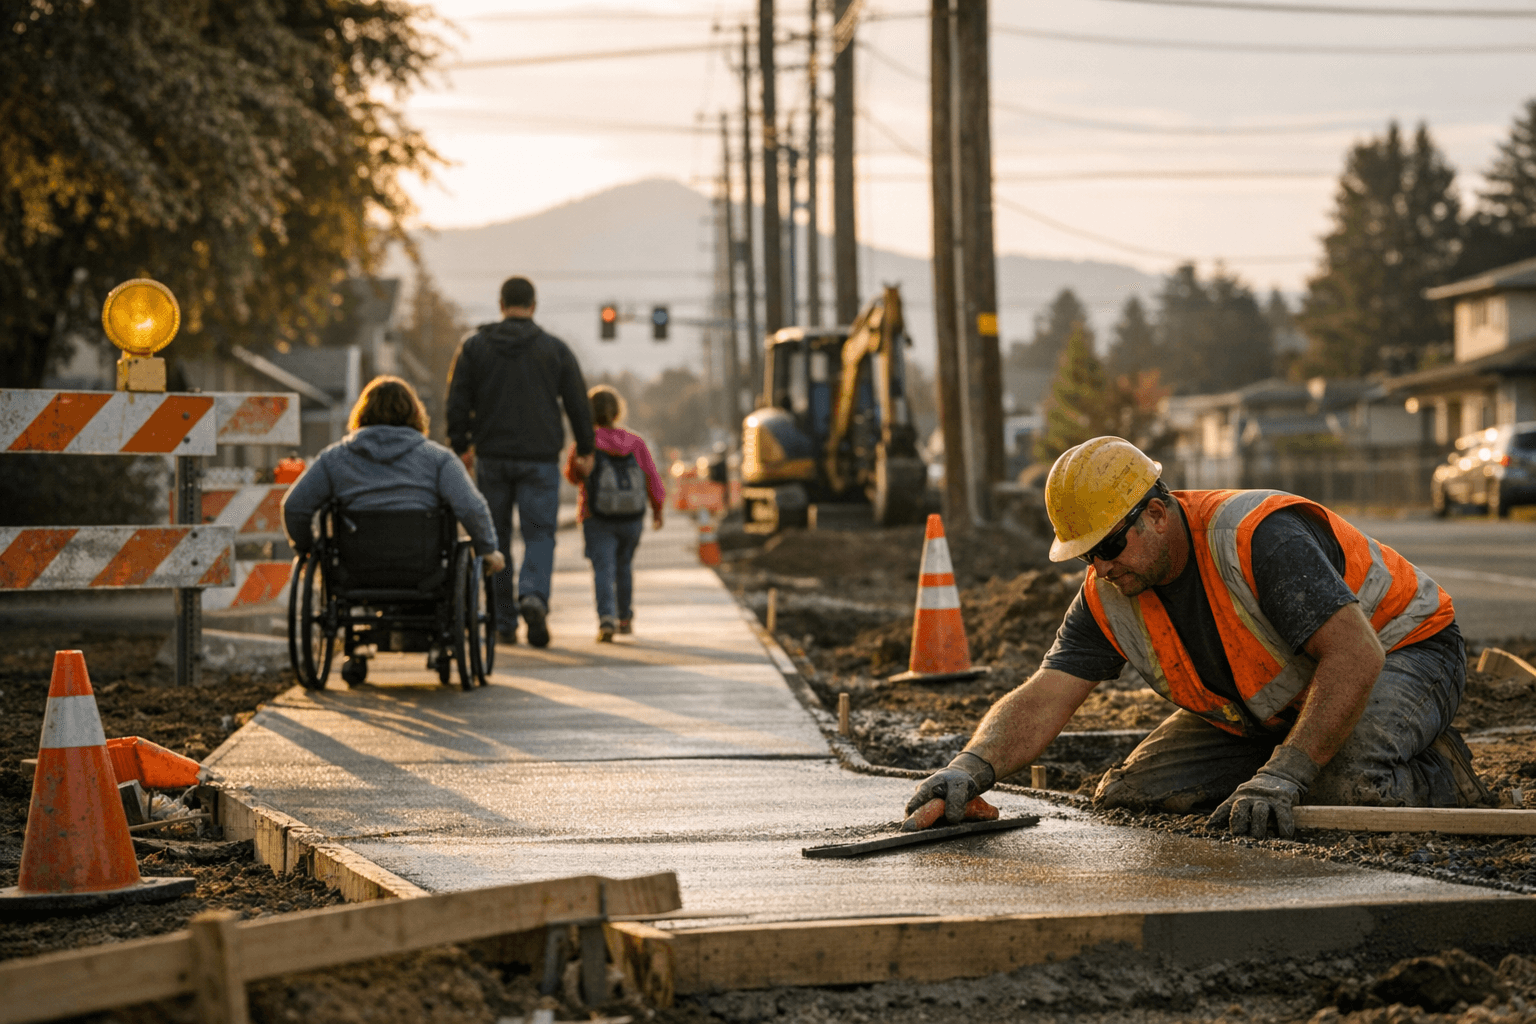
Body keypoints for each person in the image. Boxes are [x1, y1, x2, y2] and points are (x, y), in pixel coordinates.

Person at [906, 436, 1490, 840]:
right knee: (1131, 797)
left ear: (1157, 514)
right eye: (1086, 555)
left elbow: (1355, 654)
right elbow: (1044, 695)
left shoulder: (1257, 538)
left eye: (1108, 546)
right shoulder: (1108, 592)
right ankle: (1299, 752)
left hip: (1402, 651)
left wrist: (1285, 773)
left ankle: (1440, 775)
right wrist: (970, 767)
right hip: (1267, 709)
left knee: (1335, 793)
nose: (1100, 567)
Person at [447, 276, 595, 648]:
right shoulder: (555, 349)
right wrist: (586, 449)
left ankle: (502, 620)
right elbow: (578, 401)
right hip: (540, 457)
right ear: (533, 305)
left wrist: (460, 443)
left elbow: (458, 398)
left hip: (492, 456)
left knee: (493, 538)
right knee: (540, 534)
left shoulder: (475, 346)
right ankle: (533, 596)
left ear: (501, 304)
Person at [281, 375, 503, 572]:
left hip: (356, 569)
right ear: (414, 413)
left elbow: (294, 506)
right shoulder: (439, 459)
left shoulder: (334, 459)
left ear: (361, 413)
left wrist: (308, 550)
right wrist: (487, 550)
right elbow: (472, 508)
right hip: (423, 567)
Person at [563, 385, 666, 641]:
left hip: (596, 516)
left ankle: (606, 619)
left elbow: (572, 476)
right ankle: (625, 618)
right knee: (624, 567)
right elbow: (652, 478)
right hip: (632, 517)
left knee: (603, 569)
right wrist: (657, 510)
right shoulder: (636, 442)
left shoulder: (586, 442)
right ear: (617, 411)